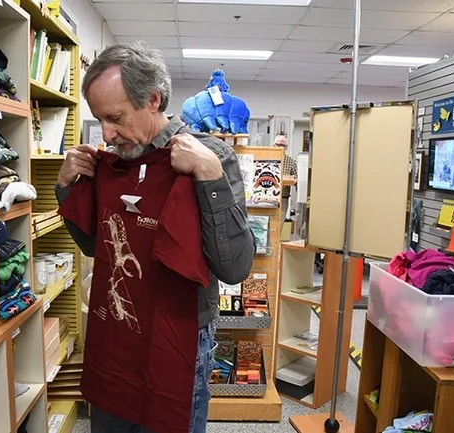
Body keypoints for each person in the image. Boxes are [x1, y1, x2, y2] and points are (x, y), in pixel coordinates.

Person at [54, 41, 255, 433]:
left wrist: (210, 177)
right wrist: (66, 187)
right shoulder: (110, 163)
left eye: (115, 117)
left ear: (153, 100)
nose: (108, 134)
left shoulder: (209, 157)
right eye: (100, 120)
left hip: (176, 336)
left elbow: (235, 267)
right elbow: (97, 248)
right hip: (118, 329)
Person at [273, 134, 297, 219]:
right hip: (267, 198)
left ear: (286, 147)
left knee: (279, 225)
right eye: (278, 144)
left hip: (283, 199)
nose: (280, 147)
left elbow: (296, 181)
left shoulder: (291, 161)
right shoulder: (267, 158)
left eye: (283, 145)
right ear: (274, 145)